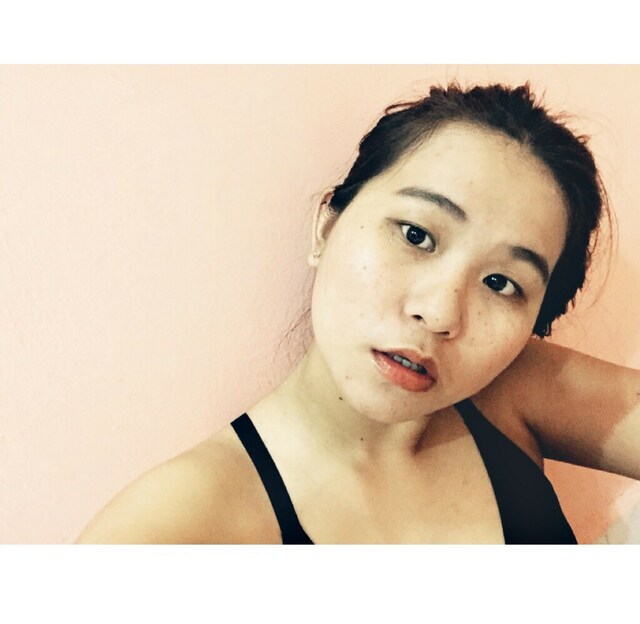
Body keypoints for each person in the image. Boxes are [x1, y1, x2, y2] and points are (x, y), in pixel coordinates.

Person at [76, 82, 640, 544]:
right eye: (416, 235)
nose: (439, 313)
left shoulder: (512, 393)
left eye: (501, 283)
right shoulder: (175, 529)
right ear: (328, 226)